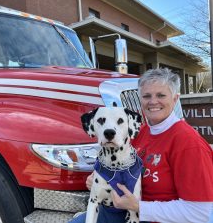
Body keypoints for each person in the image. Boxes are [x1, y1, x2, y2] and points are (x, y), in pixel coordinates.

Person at [70, 68, 213, 223]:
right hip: (118, 211)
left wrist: (140, 207)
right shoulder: (139, 132)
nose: (152, 101)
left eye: (161, 95)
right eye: (146, 96)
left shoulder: (188, 143)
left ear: (175, 99)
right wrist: (98, 176)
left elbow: (203, 213)